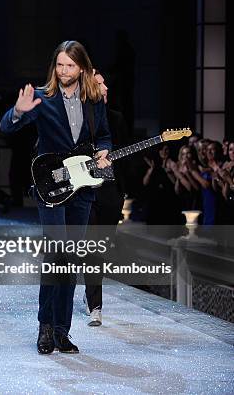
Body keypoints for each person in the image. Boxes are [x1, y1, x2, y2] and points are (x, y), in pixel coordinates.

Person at [0, 40, 112, 354]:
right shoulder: (41, 96)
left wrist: (104, 151)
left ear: (82, 68)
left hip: (83, 186)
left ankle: (62, 331)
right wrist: (17, 113)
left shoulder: (94, 100)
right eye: (59, 65)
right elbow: (5, 127)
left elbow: (103, 134)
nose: (64, 71)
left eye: (70, 66)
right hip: (51, 185)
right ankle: (46, 326)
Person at [83, 71, 129, 327]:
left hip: (111, 191)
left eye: (105, 82)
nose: (105, 87)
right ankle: (95, 305)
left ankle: (91, 297)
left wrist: (124, 189)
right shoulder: (77, 120)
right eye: (99, 83)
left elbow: (126, 153)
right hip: (85, 191)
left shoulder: (116, 118)